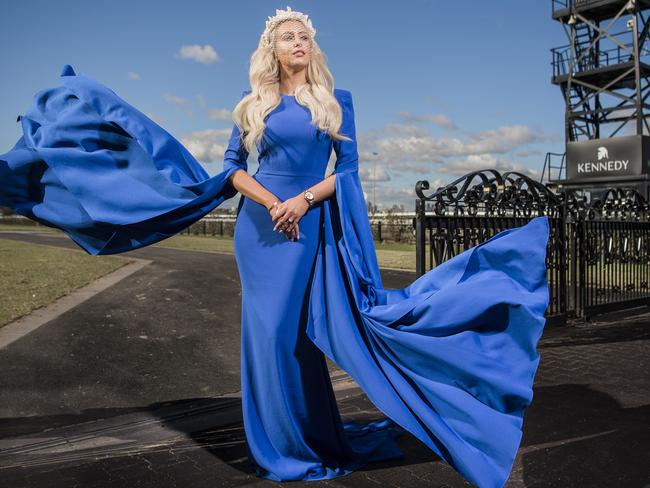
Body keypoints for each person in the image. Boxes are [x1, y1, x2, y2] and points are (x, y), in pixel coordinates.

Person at [0, 6, 551, 488]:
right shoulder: (250, 103)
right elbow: (232, 171)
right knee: (267, 339)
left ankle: (313, 440)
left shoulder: (338, 101)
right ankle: (280, 450)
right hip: (262, 232)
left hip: (309, 228)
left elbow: (350, 173)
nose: (299, 42)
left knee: (300, 341)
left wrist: (305, 200)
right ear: (272, 49)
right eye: (288, 36)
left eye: (305, 36)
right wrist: (272, 203)